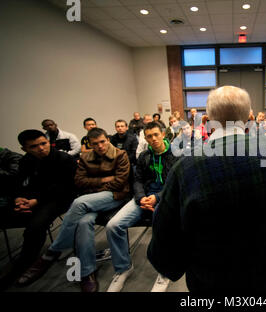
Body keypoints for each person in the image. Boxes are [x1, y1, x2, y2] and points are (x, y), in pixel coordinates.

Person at [147, 86, 266, 292]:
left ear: (206, 121)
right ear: (250, 118)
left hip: (212, 285)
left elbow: (165, 244)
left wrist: (178, 266)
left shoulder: (186, 169)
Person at [17, 128, 130, 292]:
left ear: (108, 140)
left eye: (103, 141)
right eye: (95, 143)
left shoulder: (120, 155)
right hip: (91, 198)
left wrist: (93, 185)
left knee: (79, 202)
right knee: (83, 222)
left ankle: (52, 252)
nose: (100, 146)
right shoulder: (85, 157)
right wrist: (103, 180)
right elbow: (79, 181)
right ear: (89, 145)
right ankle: (87, 272)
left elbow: (119, 182)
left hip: (115, 196)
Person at [106, 122, 179, 292]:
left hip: (166, 198)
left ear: (163, 134)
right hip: (143, 198)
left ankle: (164, 271)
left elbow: (176, 184)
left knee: (163, 227)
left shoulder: (177, 155)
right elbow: (137, 180)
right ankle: (123, 268)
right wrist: (141, 198)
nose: (153, 139)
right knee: (113, 225)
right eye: (149, 136)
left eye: (156, 135)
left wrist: (157, 197)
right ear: (145, 138)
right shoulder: (144, 156)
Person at [0, 130, 77, 290]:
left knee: (35, 227)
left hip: (59, 198)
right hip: (32, 199)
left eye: (43, 143)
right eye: (34, 146)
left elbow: (66, 187)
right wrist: (18, 198)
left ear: (48, 142)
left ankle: (25, 263)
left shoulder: (64, 159)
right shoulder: (26, 160)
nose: (41, 148)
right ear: (25, 149)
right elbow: (18, 183)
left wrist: (36, 201)